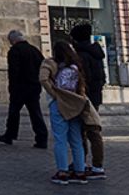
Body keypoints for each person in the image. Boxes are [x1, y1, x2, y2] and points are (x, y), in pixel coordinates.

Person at [40, 40, 101, 185]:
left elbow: (42, 78)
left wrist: (55, 94)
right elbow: (82, 85)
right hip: (75, 104)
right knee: (76, 140)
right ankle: (80, 172)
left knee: (60, 139)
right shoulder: (76, 66)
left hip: (59, 103)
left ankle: (62, 172)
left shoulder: (50, 63)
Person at [0, 29, 48, 149]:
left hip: (20, 87)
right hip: (33, 86)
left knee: (13, 112)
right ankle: (42, 138)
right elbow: (43, 66)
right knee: (35, 113)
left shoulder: (15, 51)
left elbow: (14, 71)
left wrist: (12, 88)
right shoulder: (34, 50)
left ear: (13, 40)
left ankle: (10, 135)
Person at [70, 23, 107, 179]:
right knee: (91, 130)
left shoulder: (82, 55)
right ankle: (89, 163)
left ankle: (91, 165)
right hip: (95, 96)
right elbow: (102, 78)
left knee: (86, 131)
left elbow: (83, 79)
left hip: (85, 98)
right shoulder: (96, 53)